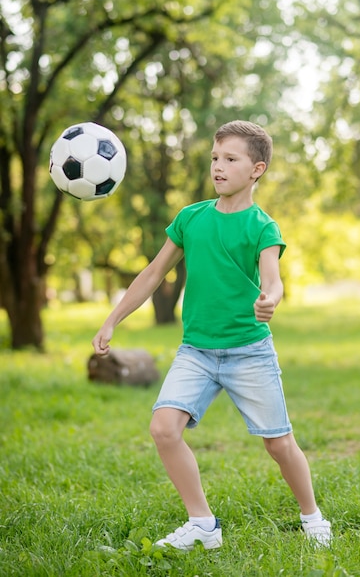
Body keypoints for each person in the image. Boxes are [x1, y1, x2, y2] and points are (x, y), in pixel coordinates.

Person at [92, 120, 332, 550]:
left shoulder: (262, 226)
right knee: (164, 428)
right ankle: (202, 524)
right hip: (196, 352)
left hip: (249, 353)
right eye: (214, 158)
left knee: (279, 444)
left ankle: (312, 517)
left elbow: (272, 279)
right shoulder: (191, 218)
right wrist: (113, 319)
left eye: (230, 159)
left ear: (256, 169)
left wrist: (270, 299)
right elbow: (152, 273)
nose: (218, 167)